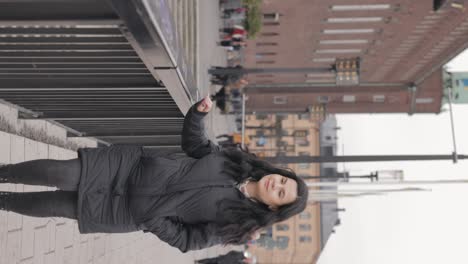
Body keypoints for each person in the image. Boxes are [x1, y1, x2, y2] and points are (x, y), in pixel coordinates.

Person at [0, 96, 308, 253]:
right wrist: (197, 114)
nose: (276, 184)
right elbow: (196, 144)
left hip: (124, 212)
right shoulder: (236, 162)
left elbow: (189, 241)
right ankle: (3, 173)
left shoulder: (237, 224)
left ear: (273, 207)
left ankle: (3, 200)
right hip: (128, 169)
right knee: (60, 172)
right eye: (282, 180)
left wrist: (152, 220)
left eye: (281, 193)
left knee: (56, 207)